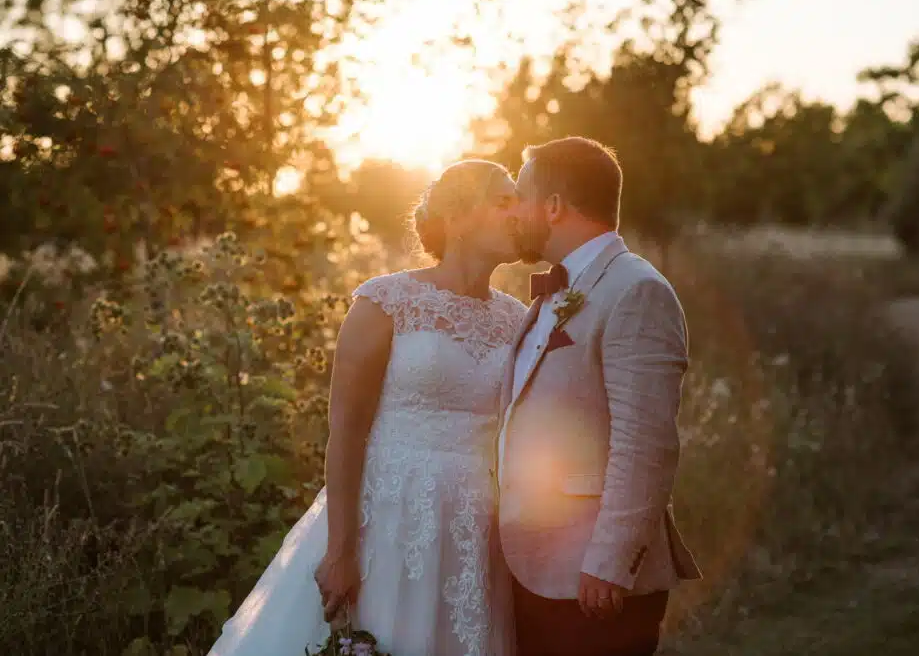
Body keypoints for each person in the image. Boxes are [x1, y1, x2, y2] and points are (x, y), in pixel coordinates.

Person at [207, 159, 527, 656]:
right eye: (504, 200)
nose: (518, 212)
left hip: (476, 530)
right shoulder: (385, 302)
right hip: (389, 518)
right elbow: (346, 432)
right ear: (459, 217)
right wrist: (340, 549)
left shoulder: (519, 319)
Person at [497, 136, 701, 656]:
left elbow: (646, 443)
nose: (513, 210)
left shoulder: (637, 290)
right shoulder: (554, 292)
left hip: (593, 580)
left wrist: (609, 562)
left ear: (555, 206)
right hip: (534, 568)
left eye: (521, 195)